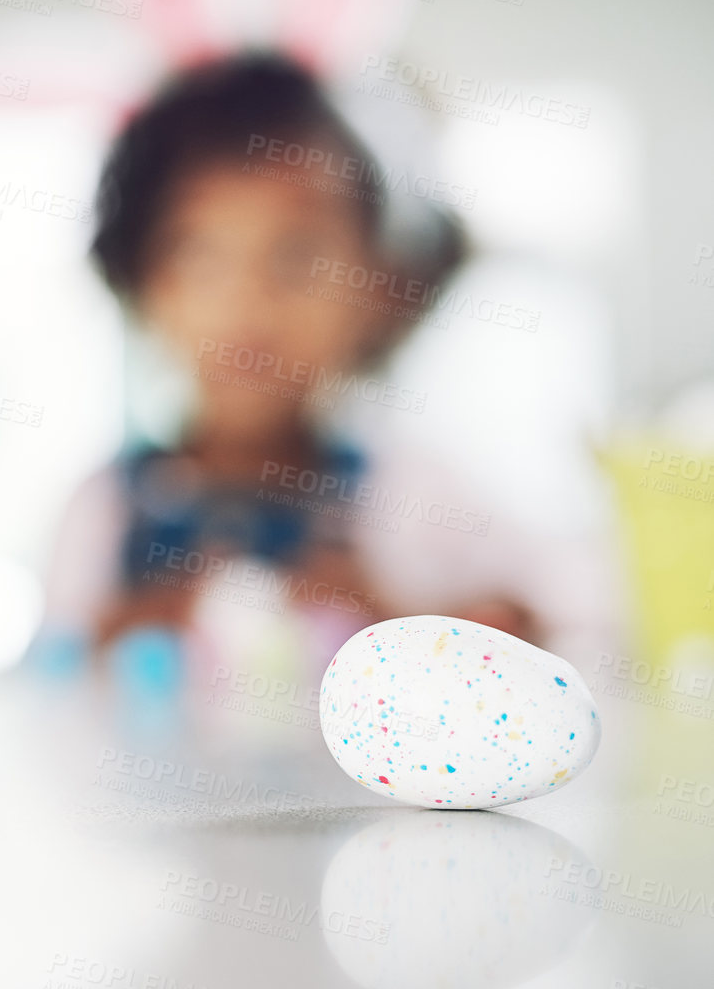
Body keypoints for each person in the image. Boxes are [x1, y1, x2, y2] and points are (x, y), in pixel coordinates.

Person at [41, 53, 619, 674]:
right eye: (199, 258)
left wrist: (406, 621)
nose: (249, 301)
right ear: (145, 285)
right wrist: (122, 632)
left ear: (375, 285)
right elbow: (42, 678)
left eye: (296, 256)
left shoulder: (415, 494)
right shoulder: (103, 510)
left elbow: (568, 612)